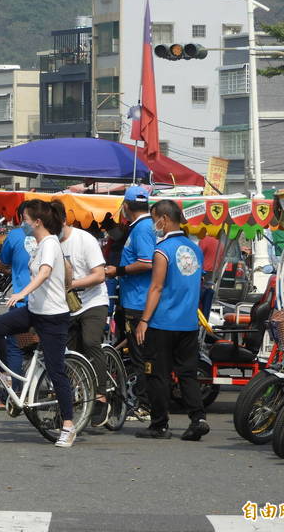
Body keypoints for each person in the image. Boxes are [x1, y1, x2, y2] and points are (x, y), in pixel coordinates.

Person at [0, 199, 77, 448]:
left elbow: (46, 272)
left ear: (37, 221)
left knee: (56, 370)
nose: (22, 223)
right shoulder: (39, 245)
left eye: (25, 219)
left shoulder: (49, 243)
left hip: (53, 317)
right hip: (34, 311)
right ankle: (10, 374)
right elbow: (62, 271)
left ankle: (68, 425)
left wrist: (21, 293)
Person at [135, 199, 209, 441]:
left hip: (163, 322)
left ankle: (159, 424)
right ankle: (198, 418)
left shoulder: (162, 250)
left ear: (164, 219)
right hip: (188, 322)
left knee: (157, 374)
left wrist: (144, 320)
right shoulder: (194, 248)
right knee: (188, 373)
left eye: (154, 218)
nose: (154, 224)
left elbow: (156, 287)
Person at [105, 185, 154, 419]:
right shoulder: (138, 227)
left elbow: (147, 262)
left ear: (126, 206)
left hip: (139, 301)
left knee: (139, 355)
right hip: (133, 298)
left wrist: (118, 270)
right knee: (134, 353)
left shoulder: (143, 228)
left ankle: (144, 404)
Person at [60, 221, 110, 427]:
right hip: (68, 304)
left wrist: (72, 284)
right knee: (69, 353)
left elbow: (99, 275)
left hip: (93, 301)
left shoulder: (84, 239)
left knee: (90, 342)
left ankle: (101, 396)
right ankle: (69, 405)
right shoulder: (50, 242)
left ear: (63, 221)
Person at [0, 201, 35, 405]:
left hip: (24, 300)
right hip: (49, 301)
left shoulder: (16, 235)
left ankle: (13, 392)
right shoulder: (51, 236)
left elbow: (3, 260)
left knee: (12, 346)